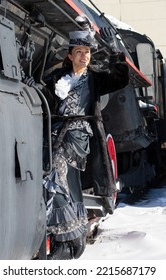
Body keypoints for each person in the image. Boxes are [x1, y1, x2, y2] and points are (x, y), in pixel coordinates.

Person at [42, 30, 129, 259]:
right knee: (68, 185)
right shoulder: (56, 78)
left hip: (78, 136)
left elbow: (121, 78)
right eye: (79, 52)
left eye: (87, 52)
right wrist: (36, 88)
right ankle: (68, 240)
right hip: (55, 135)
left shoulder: (95, 78)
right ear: (70, 55)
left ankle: (72, 236)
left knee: (54, 179)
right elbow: (48, 103)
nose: (84, 56)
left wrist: (116, 53)